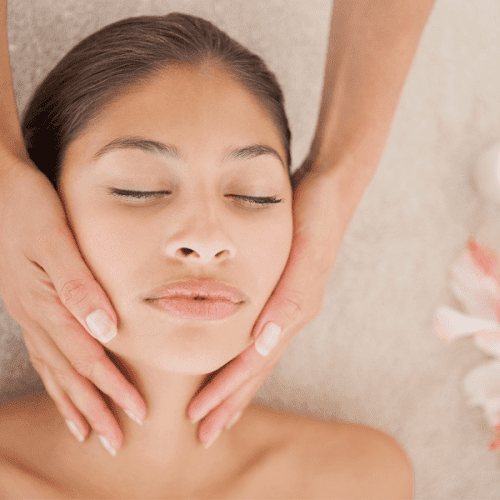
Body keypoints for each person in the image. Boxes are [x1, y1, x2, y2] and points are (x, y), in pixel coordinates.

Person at [0, 13, 413, 498]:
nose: (207, 237)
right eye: (138, 188)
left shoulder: (359, 481)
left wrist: (341, 171)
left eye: (254, 195)